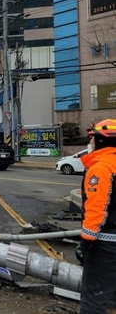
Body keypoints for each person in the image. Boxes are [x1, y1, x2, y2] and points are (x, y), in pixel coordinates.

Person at [77, 119, 116, 313]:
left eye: (92, 139)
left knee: (93, 301)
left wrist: (85, 243)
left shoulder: (102, 168)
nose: (90, 143)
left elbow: (96, 209)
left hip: (105, 246)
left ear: (100, 141)